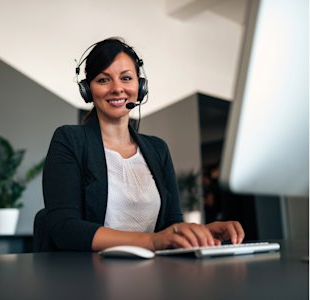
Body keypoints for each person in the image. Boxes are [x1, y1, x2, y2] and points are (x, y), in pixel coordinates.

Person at [41, 37, 244, 252]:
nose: (117, 88)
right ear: (87, 90)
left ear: (141, 86)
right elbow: (65, 228)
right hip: (90, 275)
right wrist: (152, 241)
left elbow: (171, 225)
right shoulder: (69, 140)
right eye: (103, 80)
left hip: (152, 272)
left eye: (126, 78)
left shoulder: (158, 149)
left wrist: (200, 232)